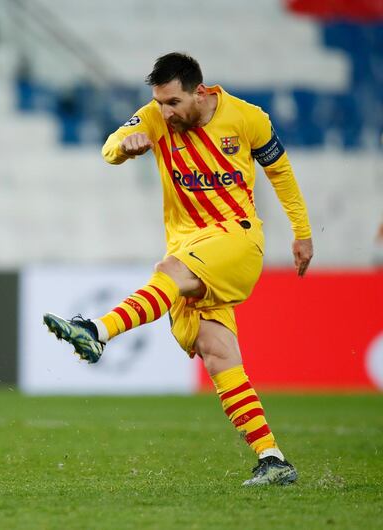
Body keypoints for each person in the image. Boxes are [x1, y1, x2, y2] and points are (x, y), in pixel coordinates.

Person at [43, 52, 313, 487]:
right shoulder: (153, 118)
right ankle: (272, 458)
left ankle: (97, 331)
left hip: (237, 239)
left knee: (168, 270)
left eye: (172, 103)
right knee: (215, 351)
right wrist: (124, 148)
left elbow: (279, 172)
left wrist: (301, 232)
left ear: (200, 92)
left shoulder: (247, 119)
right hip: (192, 246)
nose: (165, 112)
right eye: (159, 103)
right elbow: (110, 146)